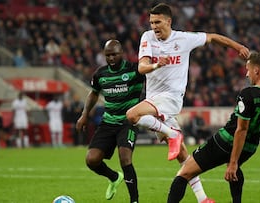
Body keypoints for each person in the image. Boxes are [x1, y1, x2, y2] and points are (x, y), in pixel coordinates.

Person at [126, 3, 249, 203]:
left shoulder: (184, 39)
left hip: (172, 97)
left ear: (168, 21)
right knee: (183, 155)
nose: (154, 26)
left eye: (157, 22)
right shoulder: (147, 38)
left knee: (132, 115)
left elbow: (213, 37)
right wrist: (157, 64)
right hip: (154, 98)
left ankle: (172, 134)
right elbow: (141, 67)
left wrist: (239, 47)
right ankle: (203, 198)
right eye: (151, 22)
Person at [167, 51, 260, 203]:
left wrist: (233, 162)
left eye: (248, 70)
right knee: (233, 170)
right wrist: (234, 161)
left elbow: (241, 129)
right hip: (249, 147)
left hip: (225, 142)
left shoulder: (248, 94)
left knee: (184, 174)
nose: (247, 74)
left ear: (257, 70)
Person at [76, 40, 145, 203]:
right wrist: (85, 115)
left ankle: (134, 201)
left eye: (114, 54)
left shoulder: (134, 70)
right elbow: (94, 93)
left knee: (125, 158)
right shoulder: (101, 74)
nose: (111, 58)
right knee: (91, 160)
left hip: (128, 120)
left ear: (121, 53)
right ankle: (114, 177)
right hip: (108, 122)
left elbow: (152, 77)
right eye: (108, 55)